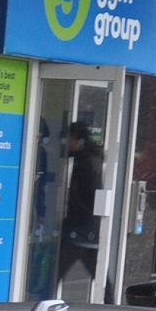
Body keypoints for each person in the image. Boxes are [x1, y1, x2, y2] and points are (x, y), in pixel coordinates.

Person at [59, 121, 105, 294]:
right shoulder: (89, 158)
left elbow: (89, 195)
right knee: (99, 277)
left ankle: (39, 310)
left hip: (79, 230)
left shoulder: (84, 163)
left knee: (54, 274)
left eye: (68, 139)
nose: (66, 143)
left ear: (78, 140)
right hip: (88, 230)